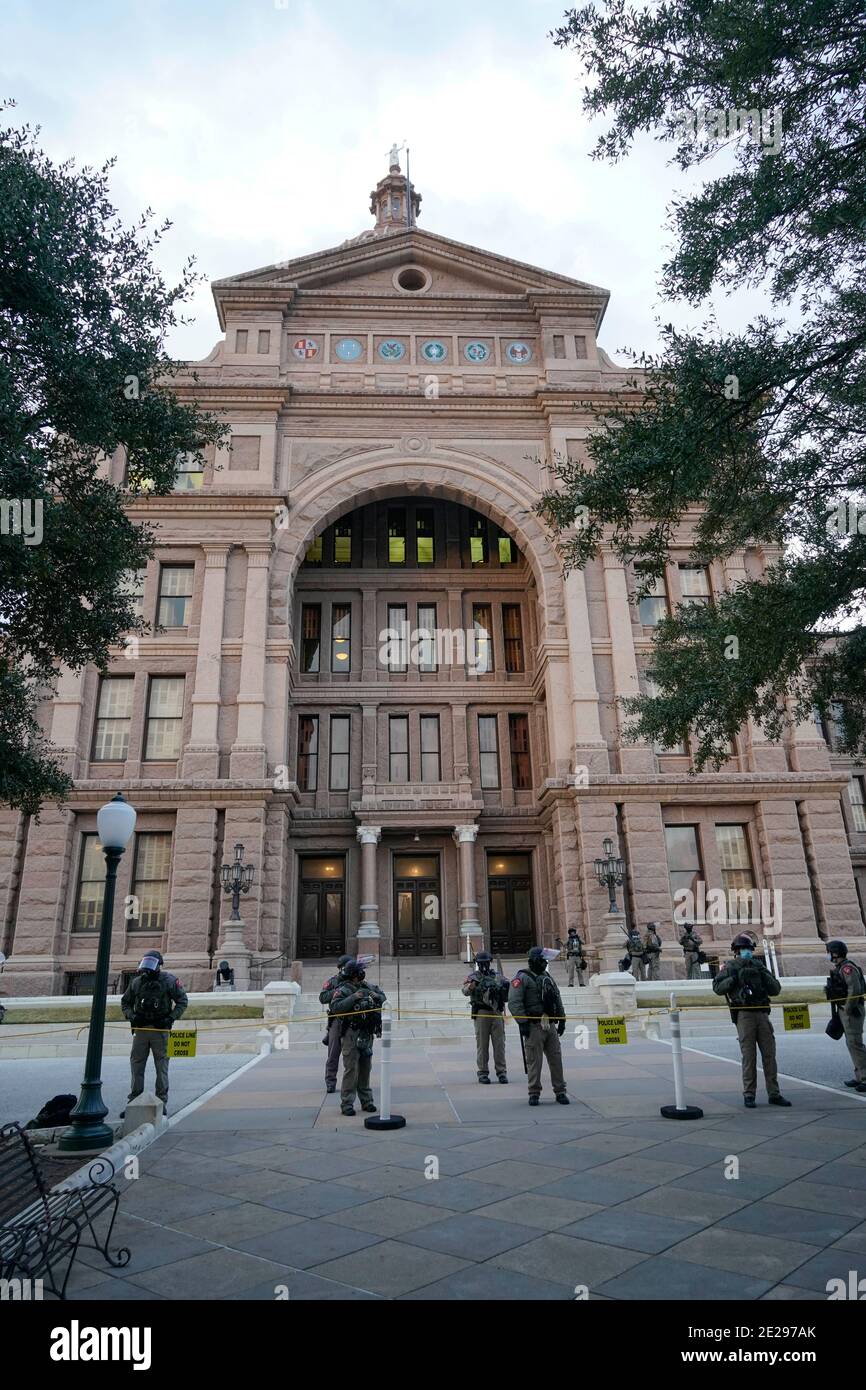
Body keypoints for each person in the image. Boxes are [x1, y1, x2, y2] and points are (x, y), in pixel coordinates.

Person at [712, 934, 791, 1108]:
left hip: (762, 1013)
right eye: (744, 949)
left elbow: (775, 989)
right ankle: (749, 1094)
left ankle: (774, 1093)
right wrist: (735, 978)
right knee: (749, 1056)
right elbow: (717, 987)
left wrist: (762, 974)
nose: (747, 952)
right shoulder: (731, 967)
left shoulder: (759, 966)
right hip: (744, 1014)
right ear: (737, 951)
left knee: (769, 1055)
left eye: (748, 949)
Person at [120, 951, 188, 1117]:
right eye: (146, 963)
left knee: (161, 1067)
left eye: (151, 963)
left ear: (159, 965)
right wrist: (133, 1016)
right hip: (142, 1029)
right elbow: (125, 1003)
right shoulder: (136, 983)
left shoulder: (169, 981)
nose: (147, 968)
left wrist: (170, 1018)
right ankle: (134, 1100)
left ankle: (161, 1102)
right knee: (137, 1065)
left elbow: (182, 1001)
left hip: (161, 1030)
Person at [508, 947, 569, 1106]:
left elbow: (557, 998)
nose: (544, 963)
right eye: (542, 960)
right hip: (533, 1025)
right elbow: (514, 1002)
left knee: (556, 1058)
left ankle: (560, 1091)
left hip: (550, 1024)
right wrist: (523, 1023)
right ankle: (534, 1092)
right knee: (534, 1061)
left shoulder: (547, 976)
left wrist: (561, 1019)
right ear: (534, 961)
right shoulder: (522, 978)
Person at [328, 959, 386, 1116]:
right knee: (351, 1069)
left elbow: (383, 997)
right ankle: (347, 1103)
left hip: (366, 1033)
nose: (362, 974)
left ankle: (367, 1101)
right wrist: (354, 997)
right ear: (353, 975)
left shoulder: (368, 986)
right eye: (359, 972)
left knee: (366, 1068)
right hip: (350, 1034)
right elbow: (335, 1007)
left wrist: (375, 996)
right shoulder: (343, 990)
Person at [461, 950, 509, 1083]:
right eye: (481, 963)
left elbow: (507, 991)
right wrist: (471, 986)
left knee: (499, 1044)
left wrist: (504, 987)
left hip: (496, 1012)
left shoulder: (497, 976)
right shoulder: (473, 977)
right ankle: (483, 1072)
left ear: (490, 962)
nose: (484, 965)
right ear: (477, 963)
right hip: (481, 1012)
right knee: (482, 1044)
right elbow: (464, 991)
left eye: (486, 963)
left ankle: (501, 1072)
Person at [825, 941, 866, 1093]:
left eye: (829, 952)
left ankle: (865, 1077)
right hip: (844, 1010)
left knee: (855, 1044)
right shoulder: (841, 968)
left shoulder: (848, 969)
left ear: (835, 953)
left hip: (852, 1011)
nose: (828, 954)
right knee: (851, 1044)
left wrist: (847, 1008)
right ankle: (859, 1076)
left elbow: (854, 990)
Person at [319, 954, 352, 1093]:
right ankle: (330, 1081)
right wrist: (337, 991)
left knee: (351, 1055)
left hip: (351, 1021)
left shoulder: (355, 980)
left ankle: (351, 1082)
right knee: (333, 1054)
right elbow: (323, 997)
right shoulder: (333, 981)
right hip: (336, 1021)